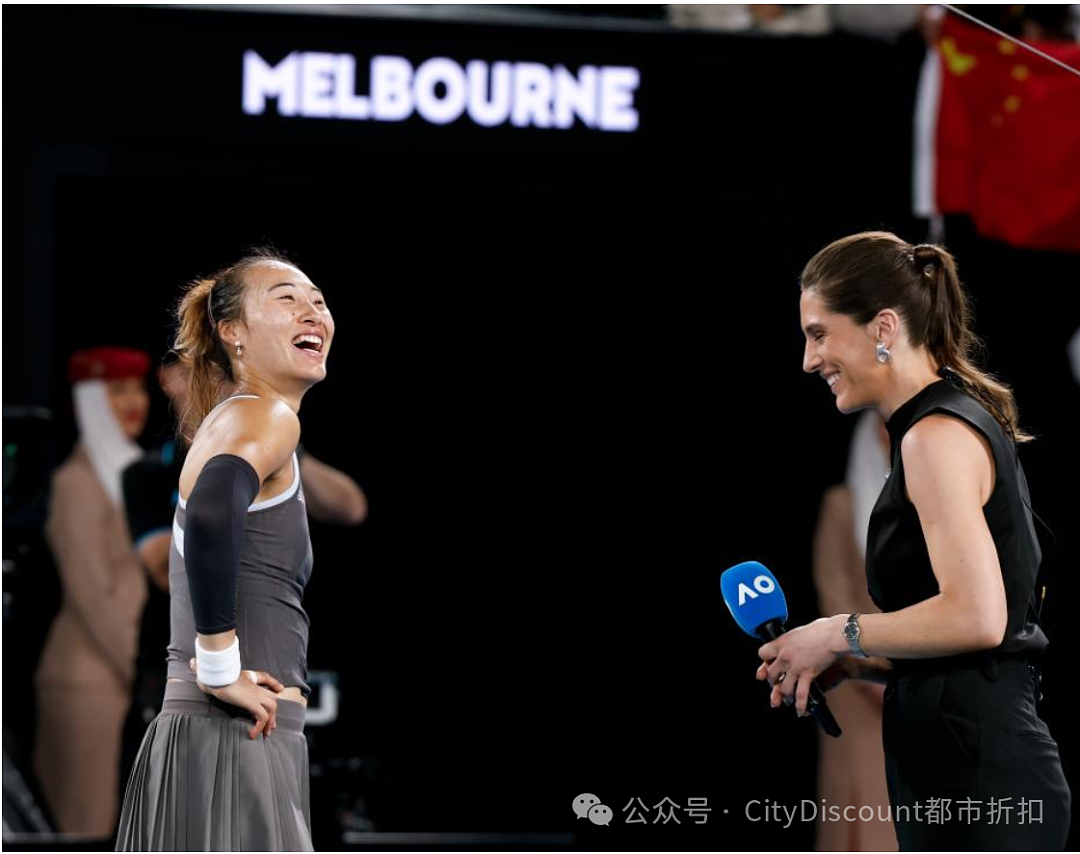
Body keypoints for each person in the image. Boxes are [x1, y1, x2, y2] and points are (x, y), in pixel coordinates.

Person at [757, 231, 1070, 849]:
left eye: (819, 334)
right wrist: (854, 661)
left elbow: (980, 618)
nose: (808, 359)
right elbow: (972, 647)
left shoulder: (933, 436)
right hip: (962, 775)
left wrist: (837, 629)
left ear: (884, 327)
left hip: (981, 783)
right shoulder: (933, 428)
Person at [116, 248, 333, 850]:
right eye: (286, 300)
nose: (311, 311)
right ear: (232, 332)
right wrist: (219, 668)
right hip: (236, 734)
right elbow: (213, 512)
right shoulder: (266, 416)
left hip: (212, 734)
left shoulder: (237, 418)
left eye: (317, 300)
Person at [117, 351, 367, 803]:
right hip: (190, 671)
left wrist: (278, 449)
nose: (225, 382)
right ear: (171, 379)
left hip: (270, 677)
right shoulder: (150, 474)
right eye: (208, 369)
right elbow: (166, 563)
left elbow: (351, 506)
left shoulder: (272, 439)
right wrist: (218, 664)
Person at [34, 346, 151, 837]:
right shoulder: (77, 484)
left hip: (119, 676)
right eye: (117, 390)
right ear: (90, 402)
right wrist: (142, 670)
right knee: (86, 823)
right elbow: (92, 596)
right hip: (87, 680)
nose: (134, 401)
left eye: (137, 388)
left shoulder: (136, 476)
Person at [811, 410, 895, 851]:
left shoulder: (925, 505)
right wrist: (875, 668)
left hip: (910, 673)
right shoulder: (842, 504)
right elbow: (835, 591)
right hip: (857, 678)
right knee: (865, 798)